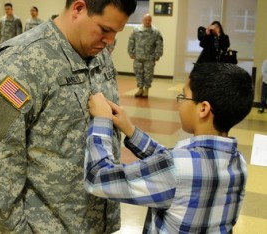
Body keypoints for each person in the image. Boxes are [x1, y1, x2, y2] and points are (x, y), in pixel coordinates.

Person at [0, 0, 136, 233]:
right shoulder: (20, 62)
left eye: (116, 32)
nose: (110, 41)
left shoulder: (99, 55)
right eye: (105, 29)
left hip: (97, 222)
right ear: (78, 8)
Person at [84, 62, 254, 233]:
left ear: (203, 108)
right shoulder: (238, 163)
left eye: (183, 96)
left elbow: (98, 178)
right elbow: (174, 165)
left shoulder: (176, 167)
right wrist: (131, 131)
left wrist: (101, 121)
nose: (180, 103)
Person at [127, 13, 163, 98]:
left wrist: (158, 55)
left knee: (148, 74)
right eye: (146, 20)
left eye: (149, 20)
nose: (147, 21)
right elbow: (131, 41)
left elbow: (159, 44)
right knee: (138, 73)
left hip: (149, 57)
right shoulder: (136, 30)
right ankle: (140, 89)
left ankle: (146, 89)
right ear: (143, 20)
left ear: (151, 21)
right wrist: (131, 52)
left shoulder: (155, 31)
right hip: (138, 56)